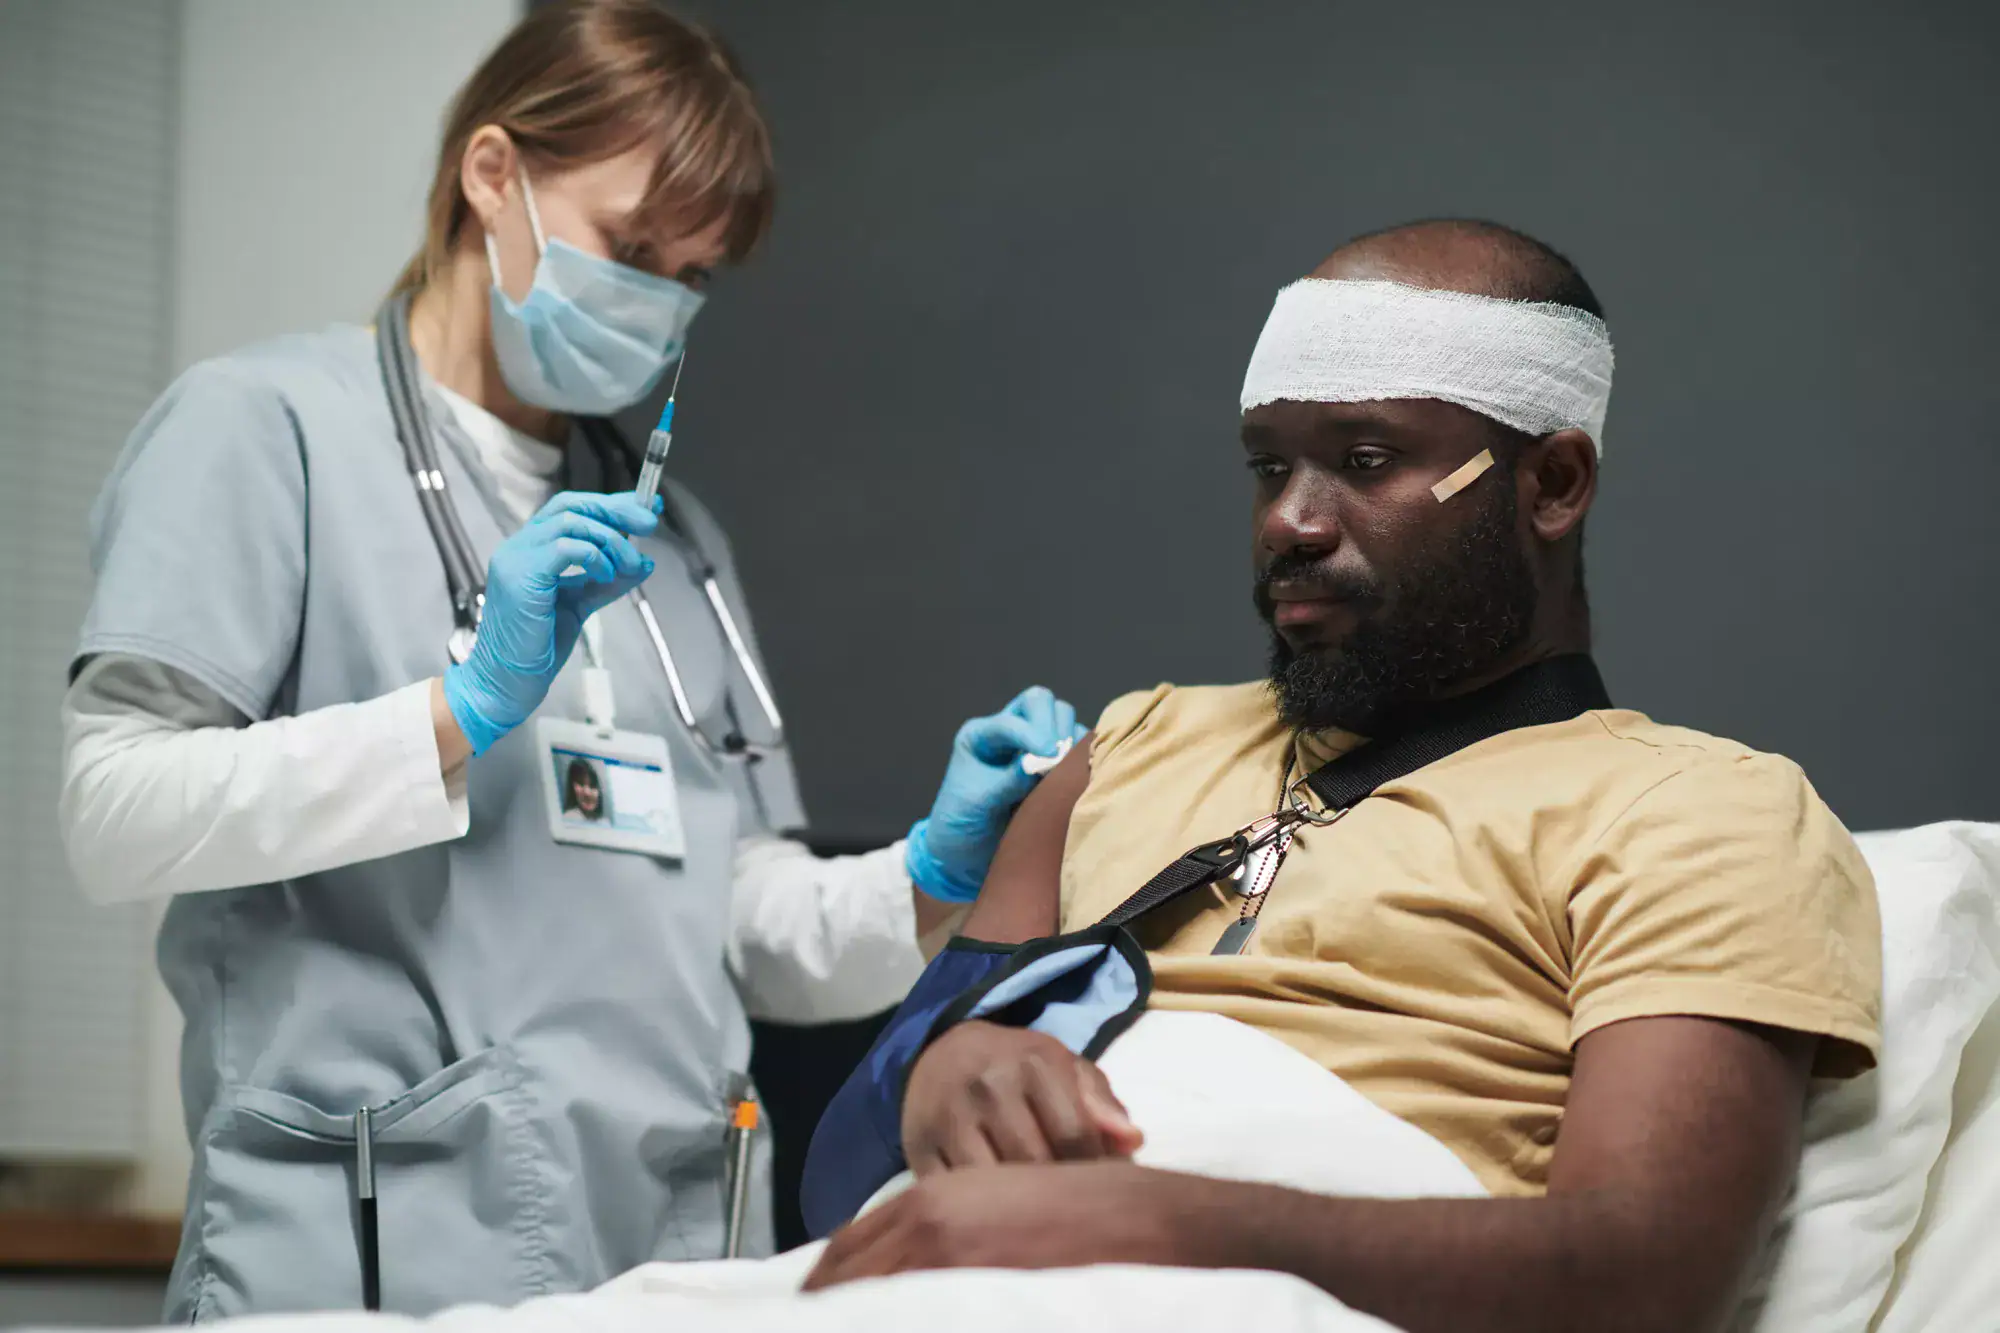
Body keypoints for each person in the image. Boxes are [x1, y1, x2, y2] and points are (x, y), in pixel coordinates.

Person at [58, 0, 1081, 1320]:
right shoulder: (263, 435)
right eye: (630, 246)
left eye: (693, 275)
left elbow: (740, 923)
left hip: (671, 1246)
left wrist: (924, 878)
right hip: (378, 1243)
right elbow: (112, 818)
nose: (658, 304)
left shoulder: (674, 543)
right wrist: (462, 710)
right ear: (494, 174)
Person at [796, 220, 1883, 1333]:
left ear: (1549, 483)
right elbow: (863, 1157)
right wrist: (938, 1068)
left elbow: (1644, 1275)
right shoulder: (1126, 747)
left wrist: (1152, 1222)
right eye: (1269, 466)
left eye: (1364, 462)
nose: (1288, 521)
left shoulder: (1694, 811)